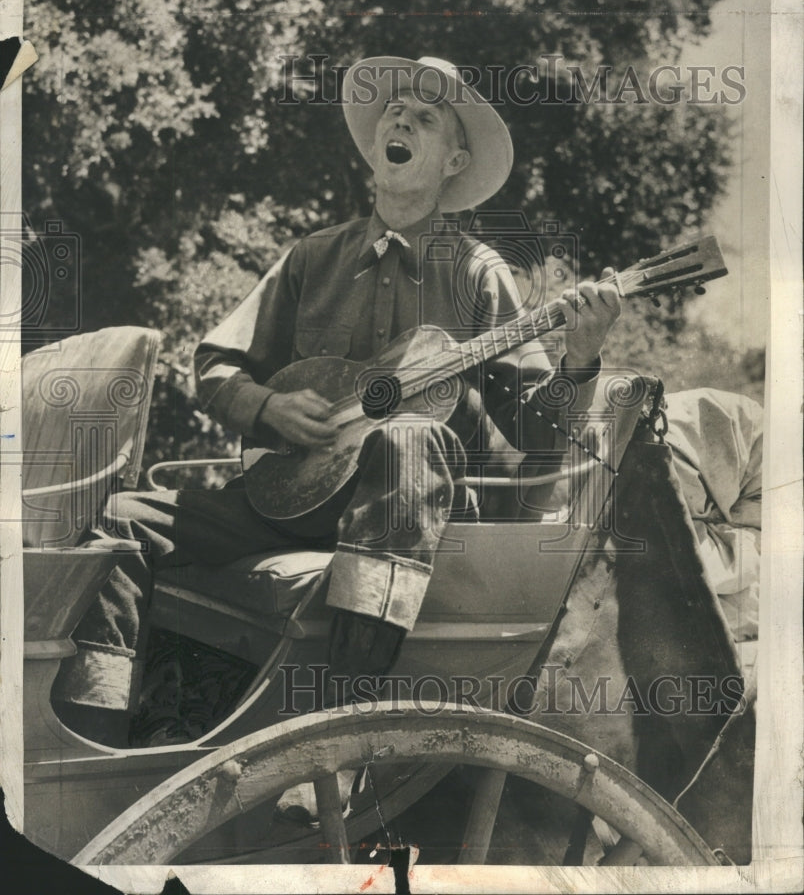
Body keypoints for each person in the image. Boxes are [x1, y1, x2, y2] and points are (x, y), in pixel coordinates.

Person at [52, 56, 621, 747]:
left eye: (426, 115)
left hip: (414, 518)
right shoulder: (311, 257)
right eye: (393, 111)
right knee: (118, 517)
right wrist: (267, 407)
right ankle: (91, 747)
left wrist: (581, 358)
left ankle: (337, 731)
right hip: (294, 504)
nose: (402, 118)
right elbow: (214, 362)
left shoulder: (479, 273)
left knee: (407, 438)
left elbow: (541, 433)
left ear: (452, 161)